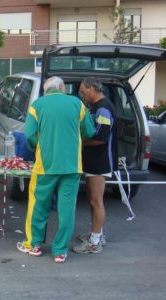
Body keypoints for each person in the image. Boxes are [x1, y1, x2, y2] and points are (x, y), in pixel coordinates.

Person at [16, 76, 96, 263]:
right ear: (62, 87)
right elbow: (89, 132)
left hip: (45, 166)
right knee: (67, 209)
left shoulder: (37, 105)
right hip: (71, 166)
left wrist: (40, 145)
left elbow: (29, 135)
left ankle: (33, 245)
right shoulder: (77, 104)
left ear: (46, 89)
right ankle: (60, 250)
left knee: (38, 206)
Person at [73, 77, 117, 254]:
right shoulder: (96, 107)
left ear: (92, 89)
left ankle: (95, 241)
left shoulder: (104, 109)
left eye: (83, 92)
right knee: (92, 199)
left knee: (96, 200)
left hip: (100, 161)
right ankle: (96, 233)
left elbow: (101, 138)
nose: (82, 96)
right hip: (93, 161)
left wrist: (79, 143)